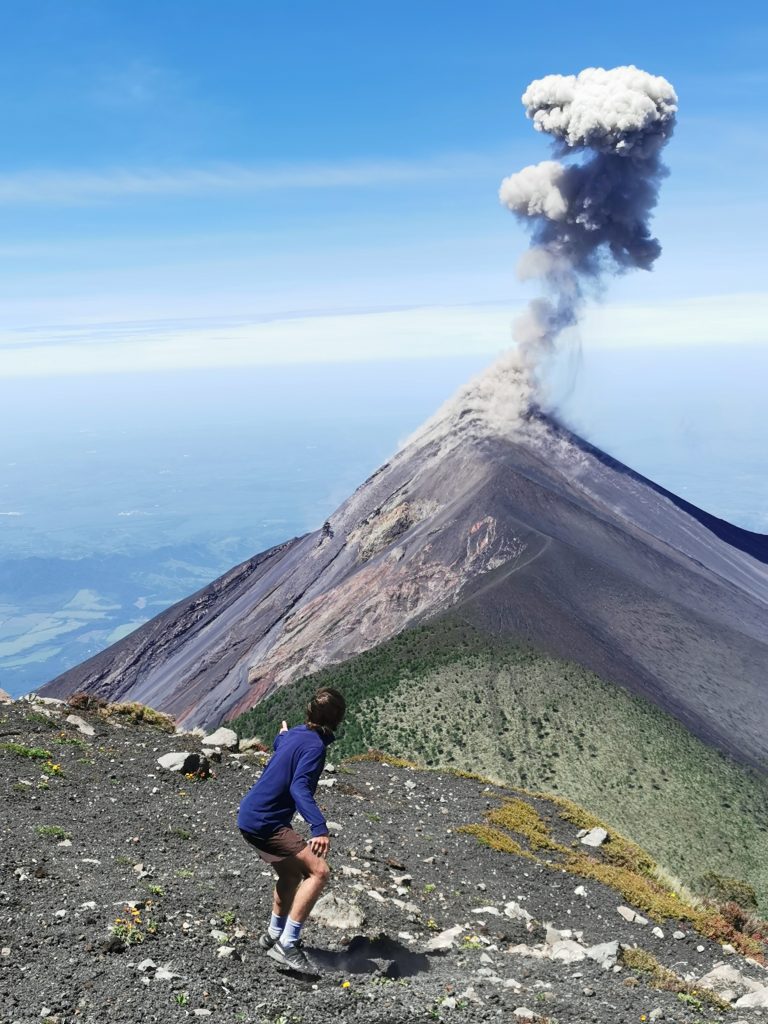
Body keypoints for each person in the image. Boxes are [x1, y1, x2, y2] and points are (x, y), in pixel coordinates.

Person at [237, 687, 346, 974]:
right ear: (337, 719)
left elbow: (280, 744)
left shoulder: (296, 734)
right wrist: (319, 827)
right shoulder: (315, 747)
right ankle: (288, 943)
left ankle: (273, 934)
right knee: (319, 872)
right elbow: (299, 786)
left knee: (290, 873)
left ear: (310, 714)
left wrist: (282, 735)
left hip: (249, 816)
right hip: (266, 822)